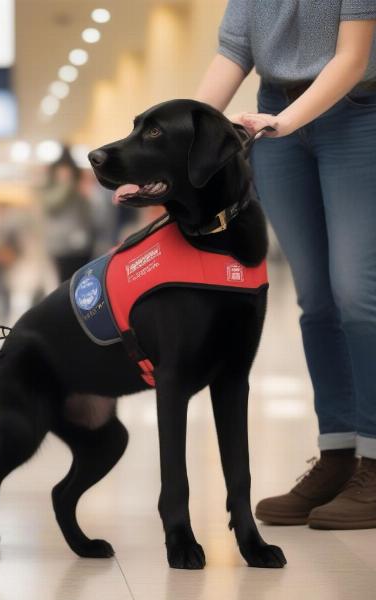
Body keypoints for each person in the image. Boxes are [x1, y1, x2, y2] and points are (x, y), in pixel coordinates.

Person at [194, 2, 376, 529]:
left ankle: (375, 458)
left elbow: (352, 57)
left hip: (357, 115)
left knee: (358, 296)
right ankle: (338, 455)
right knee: (315, 300)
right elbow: (231, 58)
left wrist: (286, 121)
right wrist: (174, 149)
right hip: (276, 120)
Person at [39, 148, 95, 283]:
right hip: (61, 247)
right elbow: (52, 205)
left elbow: (88, 214)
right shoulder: (51, 189)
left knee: (82, 281)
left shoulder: (79, 189)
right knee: (65, 283)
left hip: (82, 245)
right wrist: (66, 183)